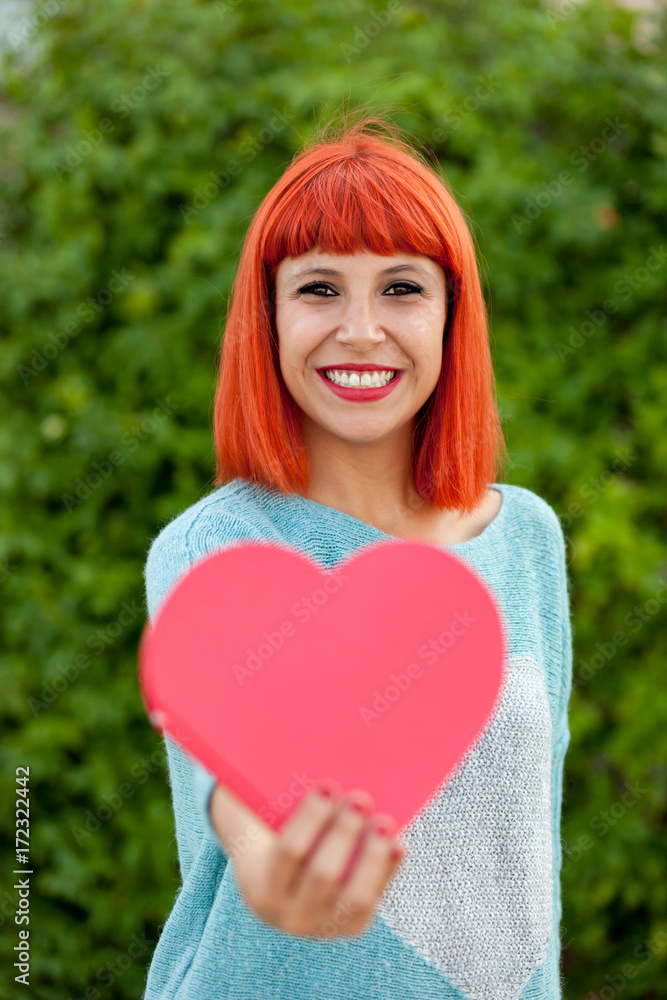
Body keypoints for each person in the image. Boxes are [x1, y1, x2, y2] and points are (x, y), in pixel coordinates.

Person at [142, 110, 574, 1000]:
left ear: (453, 314)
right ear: (266, 316)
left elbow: (530, 858)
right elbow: (229, 783)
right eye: (319, 289)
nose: (363, 331)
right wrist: (275, 870)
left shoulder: (527, 539)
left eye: (402, 288)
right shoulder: (212, 550)